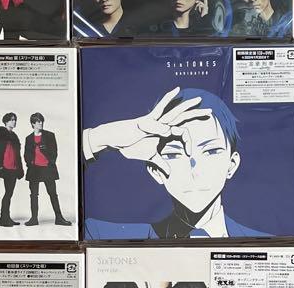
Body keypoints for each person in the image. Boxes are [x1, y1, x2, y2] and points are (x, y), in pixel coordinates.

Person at [83, 86, 257, 239]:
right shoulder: (98, 233)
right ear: (155, 171)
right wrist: (101, 138)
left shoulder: (266, 241)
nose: (194, 169)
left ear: (232, 164)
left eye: (211, 151)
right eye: (174, 154)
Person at [24, 112, 70, 226]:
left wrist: (49, 161)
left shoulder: (50, 135)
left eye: (41, 121)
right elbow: (26, 154)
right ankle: (34, 219)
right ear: (33, 124)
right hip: (34, 170)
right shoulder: (29, 138)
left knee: (53, 194)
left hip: (47, 169)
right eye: (38, 122)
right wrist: (30, 163)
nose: (41, 123)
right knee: (33, 195)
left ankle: (59, 218)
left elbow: (54, 152)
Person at [0, 112, 24, 227]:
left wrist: (20, 169)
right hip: (5, 167)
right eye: (12, 120)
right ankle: (4, 219)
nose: (14, 122)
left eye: (15, 120)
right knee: (8, 193)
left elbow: (17, 154)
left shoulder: (14, 136)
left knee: (9, 193)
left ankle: (5, 218)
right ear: (6, 121)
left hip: (14, 168)